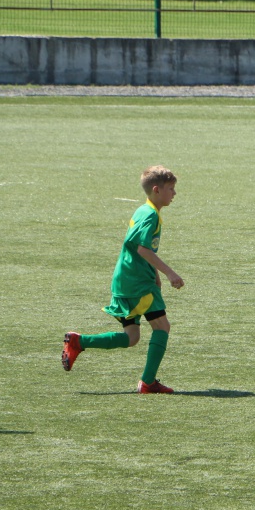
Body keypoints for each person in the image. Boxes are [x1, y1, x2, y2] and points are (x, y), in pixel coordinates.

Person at [61, 165, 184, 394]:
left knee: (131, 337)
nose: (174, 193)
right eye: (171, 189)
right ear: (157, 190)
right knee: (162, 326)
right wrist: (169, 273)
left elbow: (136, 247)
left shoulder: (143, 210)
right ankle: (148, 383)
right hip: (137, 283)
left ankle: (79, 342)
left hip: (128, 279)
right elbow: (142, 250)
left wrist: (154, 274)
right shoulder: (149, 215)